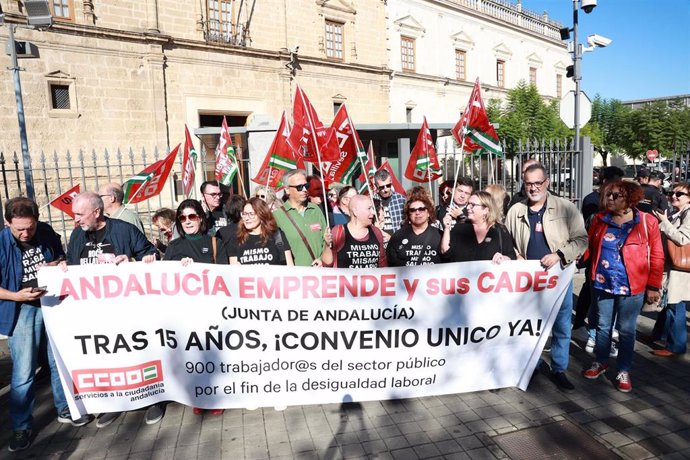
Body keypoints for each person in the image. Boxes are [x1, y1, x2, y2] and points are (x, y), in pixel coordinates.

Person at [1, 197, 93, 452]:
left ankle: (66, 408)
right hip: (21, 308)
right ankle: (22, 427)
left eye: (29, 227)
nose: (25, 232)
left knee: (59, 360)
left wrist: (54, 265)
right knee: (23, 371)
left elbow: (60, 257)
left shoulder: (46, 232)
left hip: (52, 302)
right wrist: (16, 295)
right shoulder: (1, 243)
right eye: (18, 228)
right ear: (7, 222)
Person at [64, 191, 157, 427]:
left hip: (129, 309)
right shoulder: (77, 235)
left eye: (80, 214)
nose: (75, 219)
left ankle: (154, 400)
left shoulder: (124, 230)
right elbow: (73, 266)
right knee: (109, 360)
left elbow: (151, 255)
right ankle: (114, 404)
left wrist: (133, 262)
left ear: (97, 212)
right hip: (95, 314)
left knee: (140, 355)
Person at [504, 163, 587, 392]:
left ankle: (559, 369)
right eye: (529, 184)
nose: (533, 188)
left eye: (538, 183)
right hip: (528, 281)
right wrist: (516, 255)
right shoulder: (515, 211)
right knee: (528, 326)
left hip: (558, 278)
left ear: (547, 182)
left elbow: (581, 240)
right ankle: (533, 365)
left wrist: (560, 254)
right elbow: (507, 240)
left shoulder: (565, 208)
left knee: (561, 326)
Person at [582, 181, 663, 392]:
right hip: (602, 282)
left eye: (615, 195)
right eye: (607, 195)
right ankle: (601, 361)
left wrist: (654, 286)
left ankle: (624, 369)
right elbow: (588, 248)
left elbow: (657, 255)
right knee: (602, 325)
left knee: (626, 330)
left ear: (630, 199)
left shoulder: (647, 222)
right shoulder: (600, 220)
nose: (609, 199)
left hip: (632, 286)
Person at [163, 199, 226, 415]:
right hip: (186, 311)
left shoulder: (215, 242)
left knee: (213, 354)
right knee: (192, 355)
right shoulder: (173, 247)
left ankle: (217, 397)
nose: (187, 221)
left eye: (192, 216)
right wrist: (178, 271)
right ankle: (198, 396)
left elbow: (225, 273)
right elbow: (163, 280)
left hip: (211, 308)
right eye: (182, 217)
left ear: (200, 217)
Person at [575, 166, 625, 331]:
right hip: (595, 249)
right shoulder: (592, 199)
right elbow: (591, 225)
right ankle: (582, 323)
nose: (618, 185)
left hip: (612, 252)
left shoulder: (619, 198)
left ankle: (599, 324)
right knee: (590, 288)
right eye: (615, 181)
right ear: (605, 181)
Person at [650, 182, 690, 357]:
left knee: (676, 306)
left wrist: (665, 222)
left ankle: (677, 346)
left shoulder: (689, 214)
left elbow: (682, 239)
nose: (673, 196)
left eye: (679, 194)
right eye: (671, 192)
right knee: (669, 304)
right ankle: (659, 335)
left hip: (680, 268)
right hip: (671, 266)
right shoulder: (678, 213)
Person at [441, 191, 515, 263]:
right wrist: (447, 228)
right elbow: (446, 253)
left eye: (472, 205)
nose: (468, 207)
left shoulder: (500, 230)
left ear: (486, 210)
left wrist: (503, 258)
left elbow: (511, 256)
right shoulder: (460, 228)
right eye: (468, 204)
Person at [273, 169, 328, 266]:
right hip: (296, 277)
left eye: (306, 186)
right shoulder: (277, 216)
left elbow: (326, 240)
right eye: (299, 187)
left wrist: (321, 260)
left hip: (320, 275)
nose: (304, 190)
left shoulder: (315, 209)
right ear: (287, 190)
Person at [322, 195, 387, 268]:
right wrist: (327, 246)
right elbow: (327, 264)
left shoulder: (376, 232)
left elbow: (382, 263)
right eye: (369, 208)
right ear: (355, 211)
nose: (373, 212)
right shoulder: (339, 231)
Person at [227, 197, 293, 266]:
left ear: (262, 215)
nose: (247, 218)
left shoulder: (277, 235)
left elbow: (290, 267)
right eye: (244, 213)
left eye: (251, 214)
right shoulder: (236, 239)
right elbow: (234, 271)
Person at [387, 187, 442, 266]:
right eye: (412, 210)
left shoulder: (440, 235)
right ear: (408, 213)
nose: (417, 213)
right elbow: (391, 265)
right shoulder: (397, 237)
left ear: (429, 212)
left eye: (421, 209)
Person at [374, 169, 406, 234]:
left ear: (391, 182)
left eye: (388, 185)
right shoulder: (371, 201)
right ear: (376, 186)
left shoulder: (401, 200)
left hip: (397, 240)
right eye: (382, 187)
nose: (385, 189)